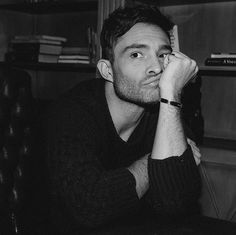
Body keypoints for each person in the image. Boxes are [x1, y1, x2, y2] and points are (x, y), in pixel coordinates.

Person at [41, 4, 202, 235]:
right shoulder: (71, 112)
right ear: (107, 71)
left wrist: (171, 96)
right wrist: (152, 163)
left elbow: (175, 203)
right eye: (136, 54)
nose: (156, 68)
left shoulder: (165, 109)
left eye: (163, 55)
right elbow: (90, 207)